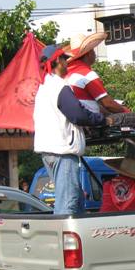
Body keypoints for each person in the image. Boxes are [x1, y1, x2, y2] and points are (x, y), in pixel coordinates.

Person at [33, 44, 110, 215]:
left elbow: (68, 116)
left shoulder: (44, 87)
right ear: (58, 61)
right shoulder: (59, 86)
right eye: (65, 59)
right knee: (68, 203)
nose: (67, 63)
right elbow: (78, 114)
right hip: (62, 151)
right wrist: (102, 120)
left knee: (74, 199)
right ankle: (62, 240)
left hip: (49, 149)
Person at [65, 31, 135, 125]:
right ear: (88, 53)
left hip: (78, 122)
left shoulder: (66, 74)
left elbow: (95, 106)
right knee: (134, 117)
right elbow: (108, 104)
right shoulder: (87, 75)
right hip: (91, 123)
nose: (94, 53)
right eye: (93, 50)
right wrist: (126, 111)